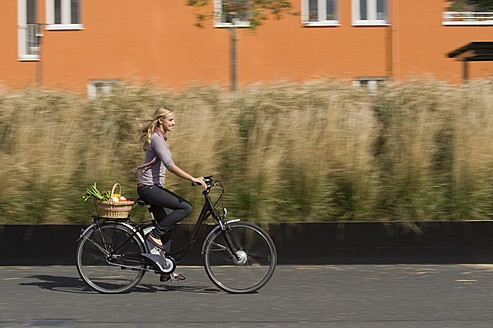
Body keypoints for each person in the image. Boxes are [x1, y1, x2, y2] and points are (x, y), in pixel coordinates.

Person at [134, 105, 206, 282]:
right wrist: (192, 178)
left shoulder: (160, 138)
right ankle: (154, 236)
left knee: (167, 227)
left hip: (153, 188)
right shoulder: (158, 139)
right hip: (149, 188)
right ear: (161, 120)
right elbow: (169, 165)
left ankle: (165, 268)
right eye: (171, 120)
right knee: (186, 207)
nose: (174, 123)